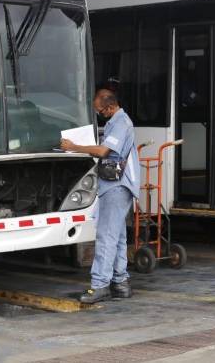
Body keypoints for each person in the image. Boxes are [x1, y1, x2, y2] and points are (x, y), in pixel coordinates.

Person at [61, 89, 140, 303]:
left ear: (110, 106)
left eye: (100, 111)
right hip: (116, 185)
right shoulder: (116, 120)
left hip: (117, 185)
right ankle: (120, 283)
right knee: (118, 236)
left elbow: (104, 151)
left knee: (105, 236)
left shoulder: (121, 122)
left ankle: (100, 286)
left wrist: (74, 147)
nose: (99, 114)